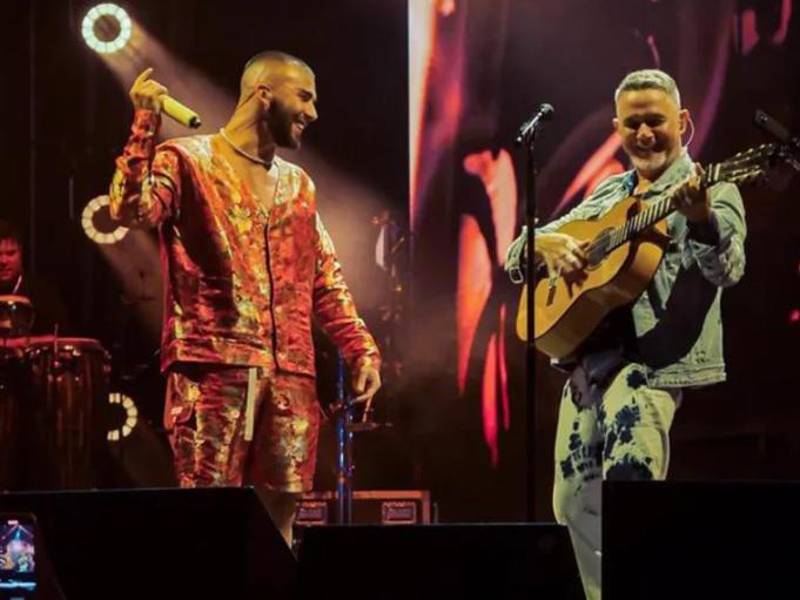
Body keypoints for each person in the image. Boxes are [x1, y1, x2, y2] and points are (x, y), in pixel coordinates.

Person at [108, 51, 382, 546]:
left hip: (291, 376)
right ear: (263, 94)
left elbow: (325, 277)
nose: (313, 113)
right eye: (305, 96)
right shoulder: (188, 160)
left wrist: (361, 348)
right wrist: (145, 125)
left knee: (281, 521)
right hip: (214, 371)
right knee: (208, 522)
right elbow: (130, 210)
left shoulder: (299, 185)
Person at [505, 69, 746, 599]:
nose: (644, 135)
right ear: (617, 127)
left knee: (631, 496)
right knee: (570, 505)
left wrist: (702, 218)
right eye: (632, 123)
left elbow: (728, 267)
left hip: (652, 369)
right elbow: (516, 251)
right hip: (588, 370)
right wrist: (541, 246)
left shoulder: (716, 187)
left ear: (682, 122)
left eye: (655, 122)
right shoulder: (609, 193)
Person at [0, 219, 70, 336]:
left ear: (21, 254)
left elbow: (59, 340)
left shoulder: (44, 295)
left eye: (11, 253)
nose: (3, 261)